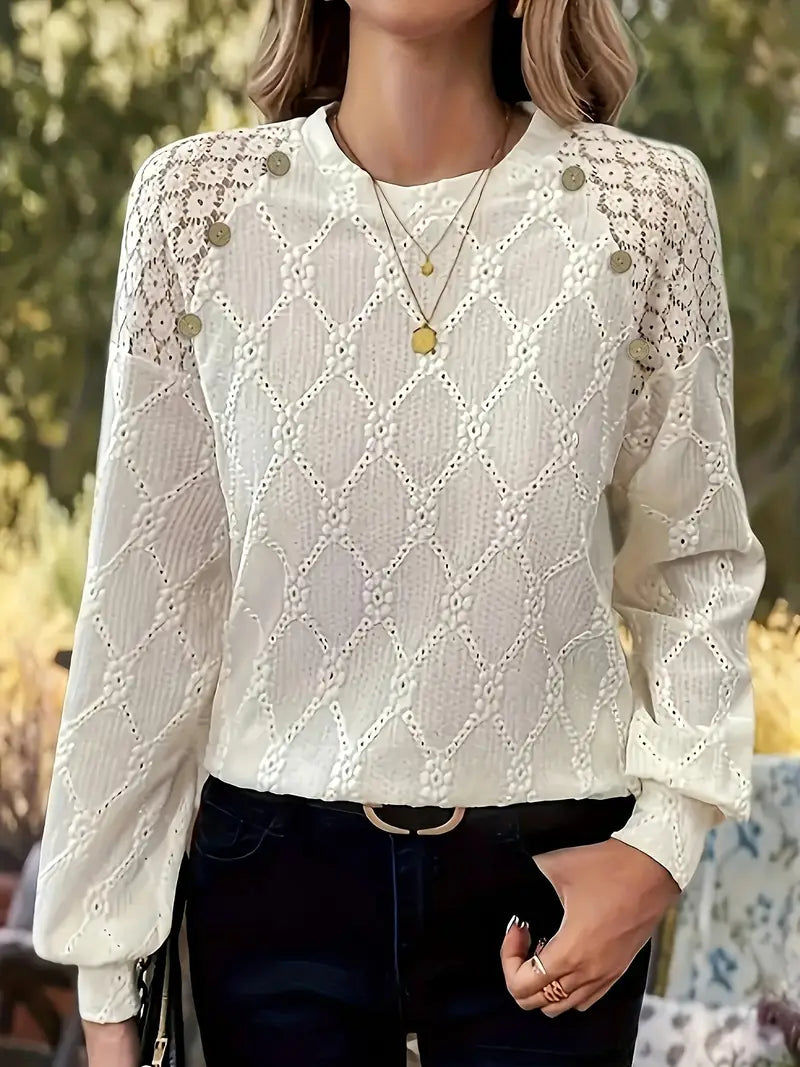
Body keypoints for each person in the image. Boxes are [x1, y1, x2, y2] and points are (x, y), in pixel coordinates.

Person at [32, 1, 766, 1065]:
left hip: (552, 882)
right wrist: (109, 997)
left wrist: (659, 847)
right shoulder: (198, 210)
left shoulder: (641, 207)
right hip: (270, 882)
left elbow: (695, 563)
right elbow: (145, 613)